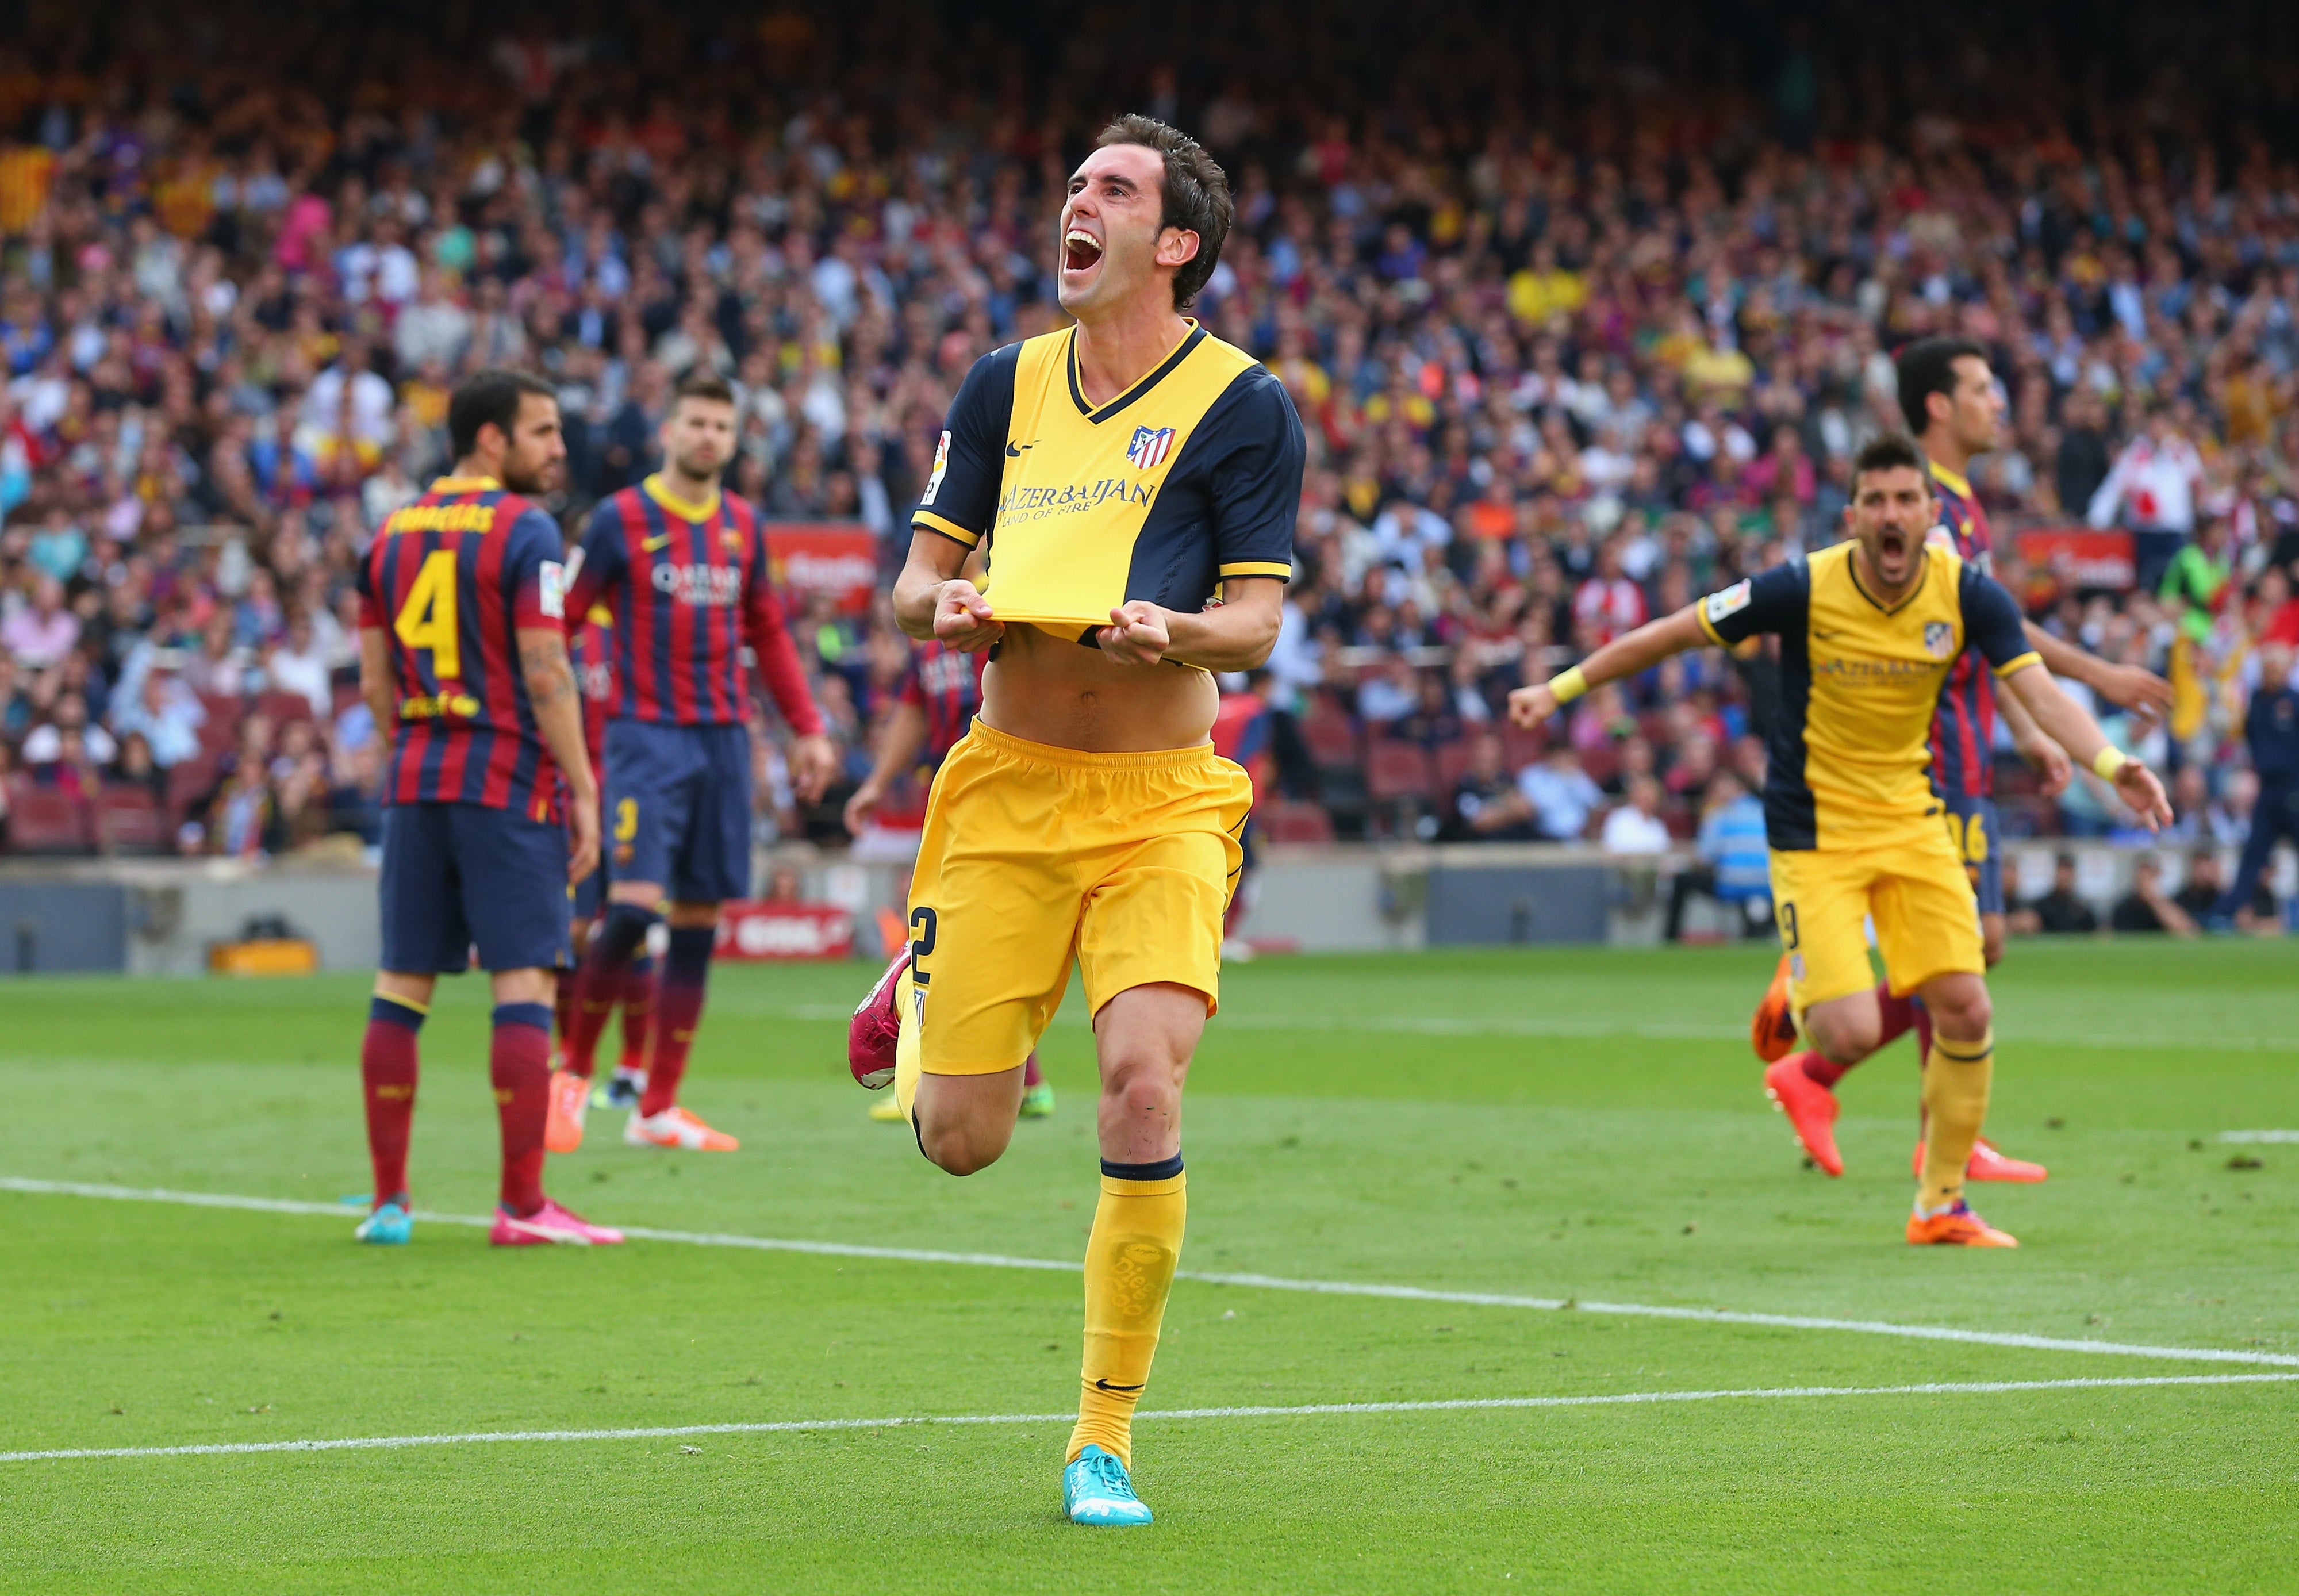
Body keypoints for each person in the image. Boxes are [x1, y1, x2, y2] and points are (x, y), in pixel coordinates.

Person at [846, 116, 1302, 1525]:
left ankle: (1102, 1436)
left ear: (1175, 243)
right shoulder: (1005, 383)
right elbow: (908, 589)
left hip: (1163, 801)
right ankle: (925, 983)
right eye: (1073, 186)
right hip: (1007, 784)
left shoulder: (1243, 403)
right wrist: (944, 603)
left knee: (1143, 1084)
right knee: (960, 1136)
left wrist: (1176, 631)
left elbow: (1256, 624)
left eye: (1111, 189)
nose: (1076, 204)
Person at [1511, 433, 2168, 1247]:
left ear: (1929, 515)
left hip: (1911, 822)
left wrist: (2110, 763)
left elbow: (2037, 690)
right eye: (1876, 501)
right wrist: (1559, 688)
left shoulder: (1967, 594)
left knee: (1966, 1006)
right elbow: (1674, 632)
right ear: (1852, 515)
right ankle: (1797, 981)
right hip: (1816, 833)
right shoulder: (1801, 587)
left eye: (1906, 500)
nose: (1891, 515)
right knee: (1849, 1031)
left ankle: (1939, 1205)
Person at [1748, 336, 2170, 1183]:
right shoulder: (1921, 503)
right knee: (1962, 949)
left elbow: (1984, 631)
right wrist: (2093, 675)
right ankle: (1902, 1111)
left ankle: (1841, 1070)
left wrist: (2029, 731)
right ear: (1938, 405)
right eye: (1983, 388)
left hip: (1969, 739)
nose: (1999, 402)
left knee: (1978, 947)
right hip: (1928, 751)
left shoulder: (1961, 503)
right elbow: (1992, 624)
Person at [350, 367, 619, 1248]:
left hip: (415, 776)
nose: (558, 448)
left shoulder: (388, 533)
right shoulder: (525, 529)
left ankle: (389, 1203)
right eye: (542, 431)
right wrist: (582, 786)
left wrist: (415, 744)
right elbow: (545, 669)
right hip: (504, 780)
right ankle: (523, 1207)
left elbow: (376, 685)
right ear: (491, 439)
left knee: (402, 983)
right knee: (525, 980)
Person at [557, 369, 838, 1153]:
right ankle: (571, 1074)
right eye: (697, 422)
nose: (709, 436)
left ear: (734, 438)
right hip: (643, 737)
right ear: (669, 431)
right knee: (632, 909)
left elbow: (767, 630)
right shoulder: (618, 519)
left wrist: (807, 727)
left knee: (696, 921)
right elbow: (565, 620)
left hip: (723, 741)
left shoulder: (743, 525)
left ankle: (656, 1107)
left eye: (721, 425)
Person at [846, 608, 1055, 1123]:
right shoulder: (933, 626)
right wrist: (876, 784)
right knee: (965, 931)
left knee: (960, 931)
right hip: (952, 794)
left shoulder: (1015, 608)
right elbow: (913, 712)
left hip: (1010, 792)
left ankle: (930, 1078)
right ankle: (1022, 1081)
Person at [543, 589, 658, 1150]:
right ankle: (571, 1063)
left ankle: (632, 1068)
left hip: (631, 794)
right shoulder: (560, 630)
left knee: (631, 928)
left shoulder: (640, 628)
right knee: (571, 933)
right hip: (572, 797)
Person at [2212, 641, 2299, 928]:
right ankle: (2228, 914)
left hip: (2294, 788)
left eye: (2275, 669)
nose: (2269, 674)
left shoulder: (2294, 701)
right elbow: (2249, 739)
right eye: (2266, 669)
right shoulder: (2256, 703)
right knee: (2253, 855)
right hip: (2268, 790)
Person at [1665, 769, 1771, 941]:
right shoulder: (1764, 811)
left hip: (1731, 885)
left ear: (1738, 788)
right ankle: (1752, 933)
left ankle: (1670, 938)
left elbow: (1704, 857)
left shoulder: (1720, 814)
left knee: (1681, 881)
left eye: (1720, 788)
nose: (1716, 793)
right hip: (1766, 885)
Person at [2008, 853, 2100, 935]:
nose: (2064, 876)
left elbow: (2096, 934)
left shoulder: (2083, 909)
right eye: (2061, 871)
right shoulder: (2041, 907)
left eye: (2068, 872)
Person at [2110, 854, 2198, 937]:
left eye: (2149, 875)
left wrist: (2153, 899)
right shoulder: (2123, 908)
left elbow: (2188, 932)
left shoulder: (2171, 904)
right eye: (2142, 875)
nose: (2145, 879)